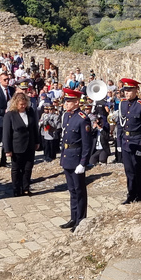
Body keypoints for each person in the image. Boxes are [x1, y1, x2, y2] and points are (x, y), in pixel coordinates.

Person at [58, 87, 91, 231]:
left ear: (77, 102)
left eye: (69, 101)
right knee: (71, 190)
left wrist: (83, 162)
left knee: (79, 190)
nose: (66, 103)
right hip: (67, 156)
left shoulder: (83, 119)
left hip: (77, 158)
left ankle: (80, 219)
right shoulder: (66, 116)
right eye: (66, 100)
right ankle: (73, 217)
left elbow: (87, 143)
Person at [116, 78, 141, 204]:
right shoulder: (123, 104)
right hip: (126, 142)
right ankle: (131, 194)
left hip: (137, 142)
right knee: (129, 170)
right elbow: (120, 124)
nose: (127, 93)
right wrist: (119, 142)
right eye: (125, 90)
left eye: (130, 90)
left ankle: (139, 194)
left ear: (136, 90)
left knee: (138, 169)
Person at [3, 83, 40, 197]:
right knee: (17, 169)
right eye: (21, 105)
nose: (23, 106)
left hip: (30, 144)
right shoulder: (10, 115)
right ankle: (16, 188)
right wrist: (7, 149)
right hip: (17, 146)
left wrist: (37, 141)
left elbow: (35, 128)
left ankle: (25, 188)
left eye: (25, 104)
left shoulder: (30, 112)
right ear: (16, 104)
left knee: (28, 168)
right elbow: (7, 133)